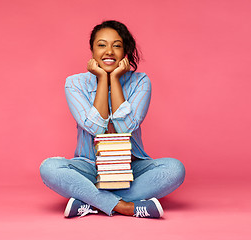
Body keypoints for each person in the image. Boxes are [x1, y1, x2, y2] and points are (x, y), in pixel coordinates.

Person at [39, 20, 185, 218]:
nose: (109, 51)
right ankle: (126, 207)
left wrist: (114, 79)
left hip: (131, 166)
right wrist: (101, 78)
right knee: (49, 168)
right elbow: (96, 129)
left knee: (174, 169)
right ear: (91, 50)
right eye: (102, 45)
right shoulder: (74, 83)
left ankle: (91, 202)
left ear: (124, 51)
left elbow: (126, 127)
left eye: (116, 45)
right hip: (89, 166)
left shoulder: (141, 81)